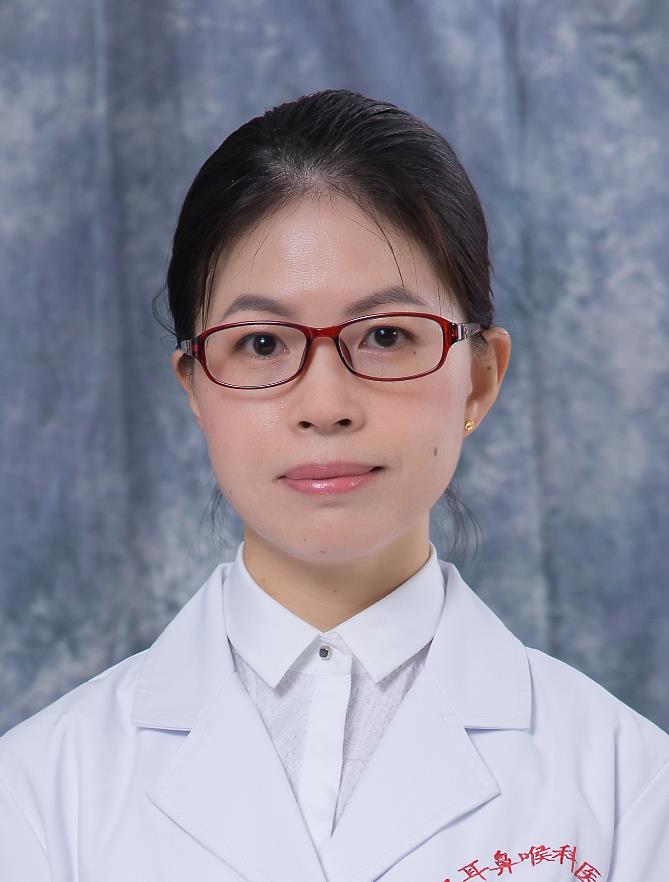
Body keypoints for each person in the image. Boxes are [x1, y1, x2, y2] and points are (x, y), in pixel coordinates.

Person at [0, 88, 667, 882]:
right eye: (260, 344)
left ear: (480, 379)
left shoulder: (630, 788)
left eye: (385, 335)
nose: (324, 405)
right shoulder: (40, 792)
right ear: (195, 387)